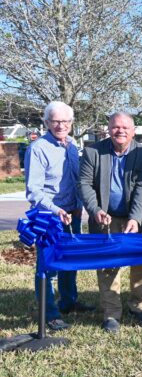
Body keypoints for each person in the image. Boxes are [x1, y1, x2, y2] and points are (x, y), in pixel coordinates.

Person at [79, 112, 142, 334]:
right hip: (105, 217)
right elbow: (84, 184)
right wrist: (96, 210)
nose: (120, 131)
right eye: (115, 127)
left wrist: (135, 218)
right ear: (108, 129)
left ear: (133, 131)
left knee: (140, 262)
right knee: (108, 265)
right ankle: (111, 313)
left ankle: (139, 306)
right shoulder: (93, 151)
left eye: (125, 127)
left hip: (136, 217)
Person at [24, 101, 95, 331]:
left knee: (69, 261)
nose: (60, 125)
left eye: (65, 121)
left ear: (71, 123)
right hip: (49, 216)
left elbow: (77, 180)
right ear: (46, 122)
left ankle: (69, 302)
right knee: (48, 266)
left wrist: (78, 205)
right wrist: (57, 210)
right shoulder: (38, 148)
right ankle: (50, 314)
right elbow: (34, 191)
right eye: (55, 121)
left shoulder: (72, 145)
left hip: (72, 214)